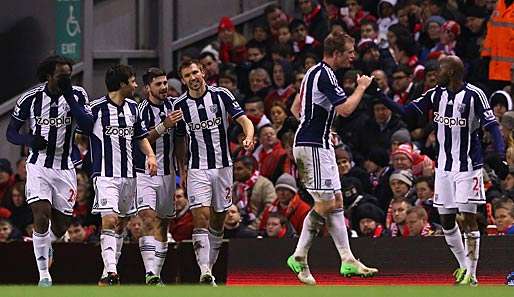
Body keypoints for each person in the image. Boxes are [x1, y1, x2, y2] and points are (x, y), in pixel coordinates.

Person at [378, 55, 507, 286]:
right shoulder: (436, 94)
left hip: (467, 167)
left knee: (468, 219)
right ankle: (463, 267)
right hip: (444, 168)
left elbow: (493, 127)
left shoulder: (474, 95)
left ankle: (473, 274)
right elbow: (407, 112)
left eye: (441, 69)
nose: (436, 73)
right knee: (446, 220)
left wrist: (499, 155)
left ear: (452, 73)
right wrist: (379, 95)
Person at [287, 31, 377, 286]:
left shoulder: (313, 72)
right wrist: (361, 88)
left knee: (336, 201)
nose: (352, 56)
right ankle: (299, 254)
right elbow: (346, 109)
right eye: (349, 51)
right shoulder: (325, 74)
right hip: (312, 146)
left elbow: (296, 109)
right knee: (325, 204)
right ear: (335, 53)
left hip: (318, 143)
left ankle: (347, 258)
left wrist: (321, 127)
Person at [5, 55, 93, 287]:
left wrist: (68, 96)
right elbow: (11, 133)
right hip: (38, 165)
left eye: (69, 74)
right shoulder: (30, 98)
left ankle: (46, 246)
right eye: (62, 75)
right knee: (41, 215)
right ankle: (44, 274)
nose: (66, 78)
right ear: (48, 76)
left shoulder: (78, 94)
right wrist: (29, 139)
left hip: (65, 167)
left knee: (62, 224)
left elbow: (87, 125)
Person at [173, 60, 254, 285]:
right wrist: (183, 168)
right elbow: (180, 140)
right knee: (201, 217)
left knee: (218, 220)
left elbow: (244, 120)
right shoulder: (180, 105)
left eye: (195, 72)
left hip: (223, 167)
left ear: (203, 73)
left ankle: (210, 267)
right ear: (183, 80)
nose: (193, 77)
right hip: (198, 168)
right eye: (187, 75)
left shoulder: (221, 95)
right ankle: (205, 271)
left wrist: (248, 136)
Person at [83, 64, 158, 286]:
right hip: (105, 175)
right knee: (109, 219)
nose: (136, 85)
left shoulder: (133, 108)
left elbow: (141, 136)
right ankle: (113, 271)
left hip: (129, 176)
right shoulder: (95, 109)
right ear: (122, 84)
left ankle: (107, 275)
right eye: (133, 81)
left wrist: (151, 156)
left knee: (121, 224)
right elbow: (80, 136)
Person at [135, 68, 183, 285]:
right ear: (148, 88)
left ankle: (156, 274)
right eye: (158, 84)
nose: (164, 87)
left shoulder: (175, 107)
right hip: (145, 172)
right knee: (148, 218)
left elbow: (180, 139)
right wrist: (165, 125)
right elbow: (142, 139)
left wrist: (183, 168)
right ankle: (150, 273)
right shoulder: (140, 110)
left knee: (163, 224)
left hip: (168, 174)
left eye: (165, 83)